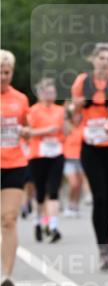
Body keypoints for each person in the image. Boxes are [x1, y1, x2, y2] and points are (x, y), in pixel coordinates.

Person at [70, 42, 108, 270]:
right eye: (101, 58)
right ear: (93, 59)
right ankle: (102, 247)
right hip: (90, 145)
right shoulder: (82, 81)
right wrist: (76, 107)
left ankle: (107, 241)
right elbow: (74, 117)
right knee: (99, 196)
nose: (105, 62)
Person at [0, 49, 29, 286]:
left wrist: (26, 131)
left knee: (8, 218)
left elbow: (27, 124)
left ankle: (5, 276)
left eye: (6, 72)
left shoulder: (20, 98)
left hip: (14, 163)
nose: (2, 76)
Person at [26, 77, 66, 243]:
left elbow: (67, 130)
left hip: (57, 153)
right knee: (41, 192)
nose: (51, 95)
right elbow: (27, 132)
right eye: (47, 92)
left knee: (54, 189)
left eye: (53, 91)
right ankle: (38, 222)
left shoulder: (60, 110)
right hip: (38, 155)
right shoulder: (33, 110)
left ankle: (53, 226)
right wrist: (46, 130)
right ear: (40, 94)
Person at [62, 107, 84, 216]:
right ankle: (69, 204)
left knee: (79, 185)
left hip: (81, 159)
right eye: (75, 115)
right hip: (68, 159)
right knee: (73, 184)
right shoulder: (68, 126)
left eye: (79, 115)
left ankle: (75, 205)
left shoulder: (83, 126)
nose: (77, 117)